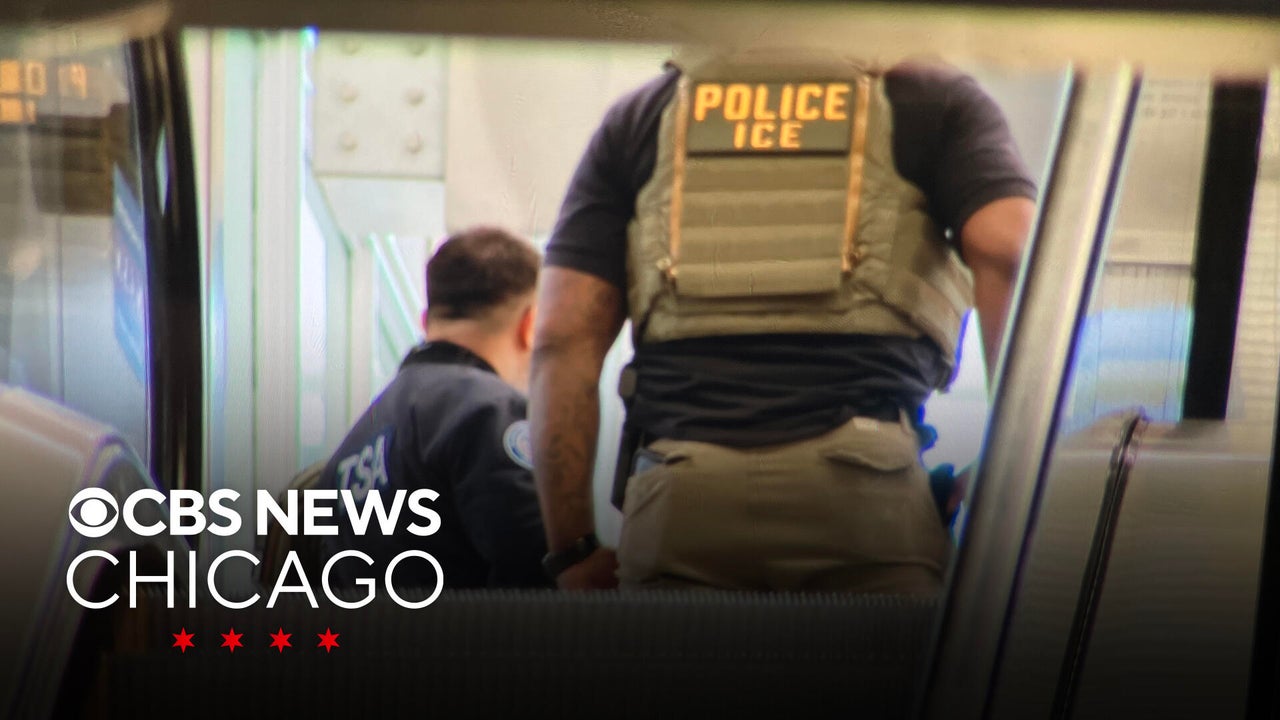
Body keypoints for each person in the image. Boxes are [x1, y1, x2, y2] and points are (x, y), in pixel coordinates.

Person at [530, 48, 1036, 593]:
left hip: (681, 497)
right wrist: (1010, 470)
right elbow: (1011, 252)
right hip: (866, 496)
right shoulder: (932, 98)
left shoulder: (643, 116)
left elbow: (562, 337)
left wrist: (573, 550)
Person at [318, 225, 550, 589]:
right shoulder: (490, 413)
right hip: (463, 628)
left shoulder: (350, 450)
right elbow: (541, 575)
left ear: (426, 322)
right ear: (530, 325)